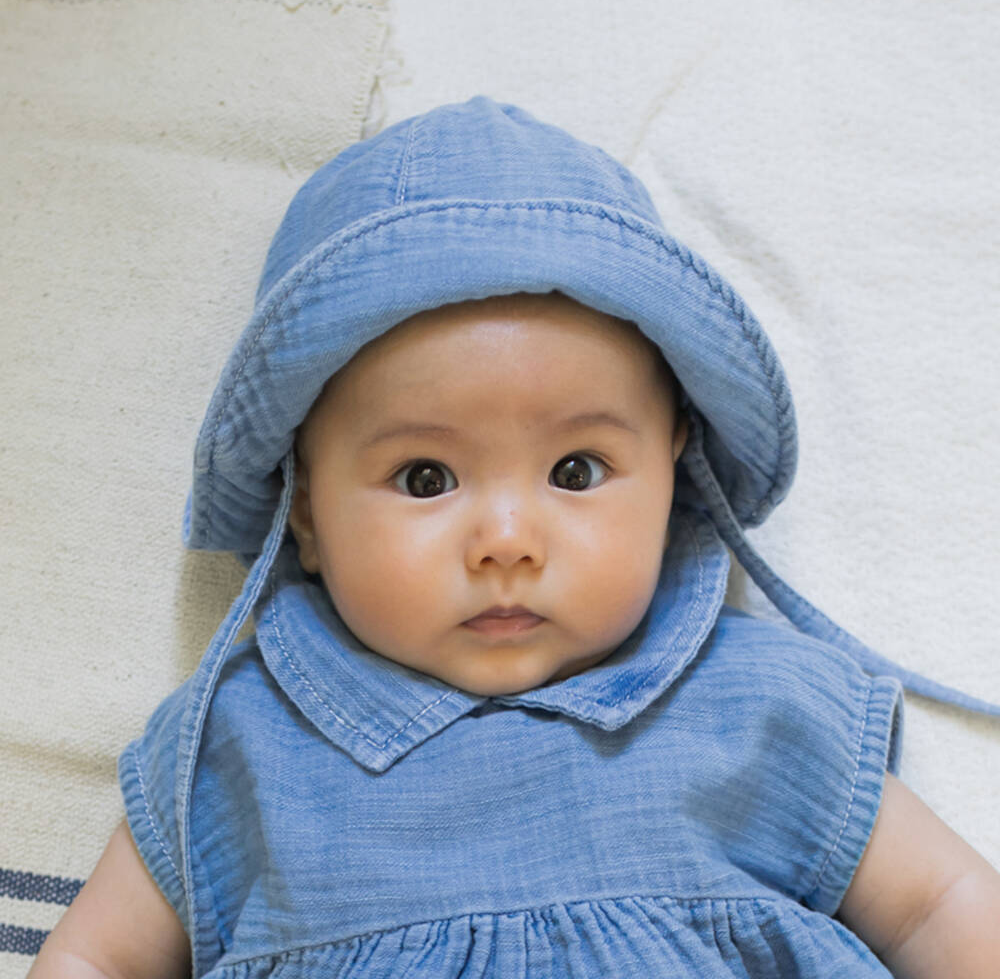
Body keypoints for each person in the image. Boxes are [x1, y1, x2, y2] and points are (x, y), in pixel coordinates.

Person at [28, 97, 1000, 978]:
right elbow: (96, 958)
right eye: (425, 478)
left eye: (575, 471)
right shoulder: (237, 742)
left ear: (672, 476)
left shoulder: (758, 704)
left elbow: (941, 902)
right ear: (308, 515)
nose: (504, 539)